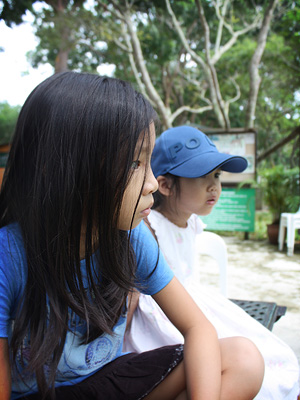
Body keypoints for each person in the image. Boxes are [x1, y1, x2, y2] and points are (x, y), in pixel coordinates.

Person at [0, 73, 265, 400]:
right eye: (133, 163)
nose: (152, 184)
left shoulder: (131, 239)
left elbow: (198, 328)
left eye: (149, 163)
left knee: (243, 359)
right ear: (64, 168)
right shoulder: (9, 254)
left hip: (108, 383)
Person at [124, 126, 300, 400]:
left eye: (217, 175)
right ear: (166, 185)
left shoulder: (192, 221)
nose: (214, 186)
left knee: (268, 352)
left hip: (192, 302)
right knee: (213, 364)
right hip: (165, 310)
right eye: (202, 176)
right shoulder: (148, 228)